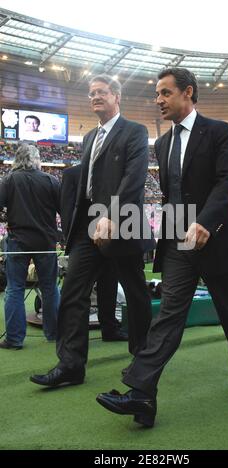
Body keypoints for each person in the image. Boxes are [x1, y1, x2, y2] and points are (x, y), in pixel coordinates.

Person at [96, 67, 228, 428]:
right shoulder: (163, 142)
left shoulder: (219, 131)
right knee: (169, 315)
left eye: (165, 93)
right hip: (179, 244)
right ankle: (141, 394)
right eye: (157, 94)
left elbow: (227, 180)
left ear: (187, 93)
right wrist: (168, 241)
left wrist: (206, 222)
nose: (158, 100)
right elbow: (172, 197)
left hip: (216, 239)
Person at [30, 74, 154, 387]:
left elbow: (133, 178)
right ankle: (71, 364)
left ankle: (142, 359)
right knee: (73, 293)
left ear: (117, 96)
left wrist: (111, 216)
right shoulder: (88, 139)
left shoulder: (135, 132)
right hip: (87, 227)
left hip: (121, 221)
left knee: (136, 293)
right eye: (91, 93)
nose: (94, 97)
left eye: (101, 92)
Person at [0, 144, 60, 349]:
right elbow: (64, 210)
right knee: (50, 288)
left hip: (18, 241)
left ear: (17, 159)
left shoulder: (8, 181)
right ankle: (54, 334)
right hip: (45, 241)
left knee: (14, 288)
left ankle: (15, 339)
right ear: (37, 159)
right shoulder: (51, 180)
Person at [60, 164, 127, 341]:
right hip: (83, 239)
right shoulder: (72, 173)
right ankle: (75, 336)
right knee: (79, 290)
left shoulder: (112, 173)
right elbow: (66, 208)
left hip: (109, 238)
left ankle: (109, 329)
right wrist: (70, 239)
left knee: (109, 285)